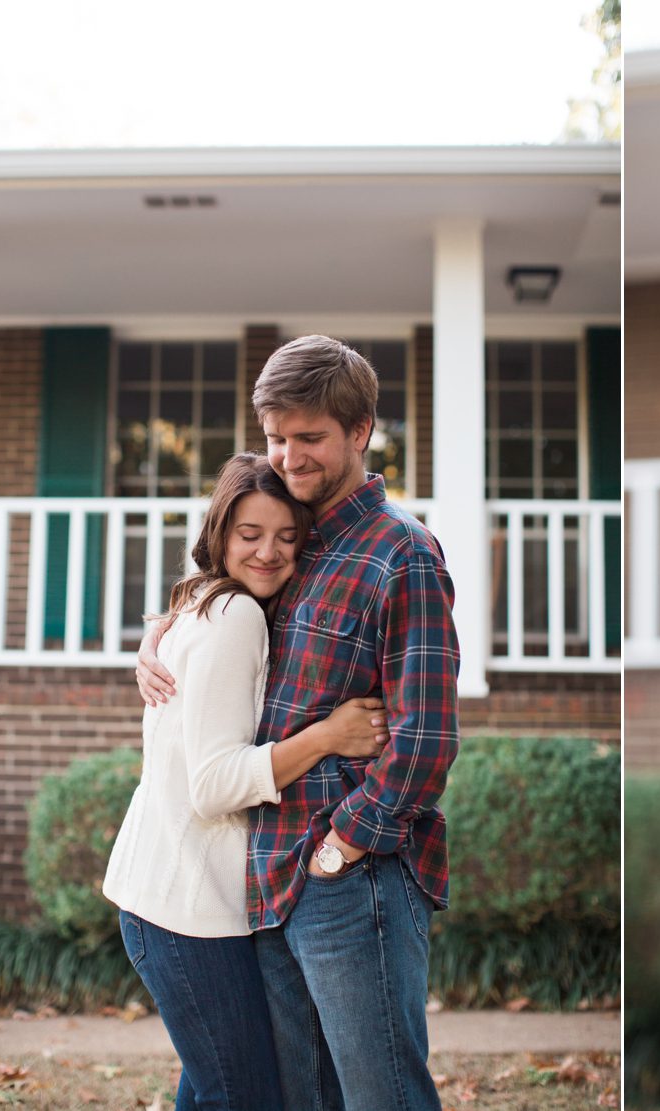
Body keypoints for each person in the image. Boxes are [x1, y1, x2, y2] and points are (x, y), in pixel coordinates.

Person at [139, 335, 458, 1111]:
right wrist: (153, 634)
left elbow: (426, 735)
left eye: (309, 437)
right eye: (276, 436)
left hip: (352, 876)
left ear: (360, 430)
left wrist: (344, 845)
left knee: (382, 1092)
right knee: (300, 1096)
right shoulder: (296, 536)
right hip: (272, 871)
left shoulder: (402, 554)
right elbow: (215, 581)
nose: (288, 454)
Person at [105, 452, 388, 1110]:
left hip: (173, 899)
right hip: (185, 912)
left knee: (216, 1090)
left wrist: (149, 643)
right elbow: (212, 785)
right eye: (250, 534)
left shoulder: (208, 601)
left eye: (288, 537)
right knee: (243, 1095)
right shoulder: (235, 617)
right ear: (220, 533)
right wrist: (328, 736)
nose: (269, 552)